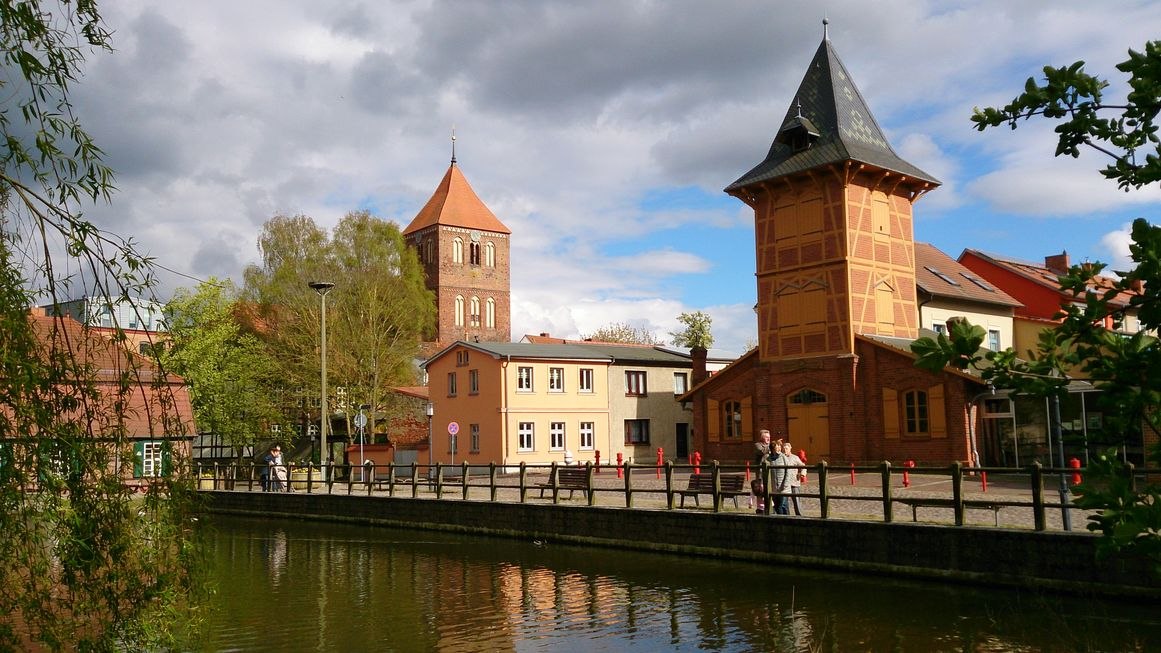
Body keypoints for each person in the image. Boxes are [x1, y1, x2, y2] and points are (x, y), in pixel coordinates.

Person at [751, 430, 772, 512]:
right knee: (761, 491)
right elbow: (762, 451)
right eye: (766, 437)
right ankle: (761, 509)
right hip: (760, 473)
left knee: (770, 490)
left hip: (770, 472)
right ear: (761, 438)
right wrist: (772, 446)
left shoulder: (770, 445)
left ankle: (771, 508)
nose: (768, 439)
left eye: (769, 437)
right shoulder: (757, 445)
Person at [782, 442, 805, 516]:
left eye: (786, 448)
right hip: (785, 483)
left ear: (790, 448)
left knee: (796, 501)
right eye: (784, 448)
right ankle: (786, 515)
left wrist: (802, 474)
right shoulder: (781, 457)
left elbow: (803, 466)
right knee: (784, 502)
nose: (785, 450)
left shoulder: (795, 458)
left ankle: (799, 515)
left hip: (794, 483)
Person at [771, 443, 792, 515]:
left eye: (779, 447)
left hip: (783, 488)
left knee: (782, 506)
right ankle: (781, 523)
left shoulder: (783, 457)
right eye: (776, 448)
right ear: (772, 449)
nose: (779, 449)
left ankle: (786, 522)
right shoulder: (769, 458)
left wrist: (785, 484)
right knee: (776, 506)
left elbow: (788, 471)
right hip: (774, 488)